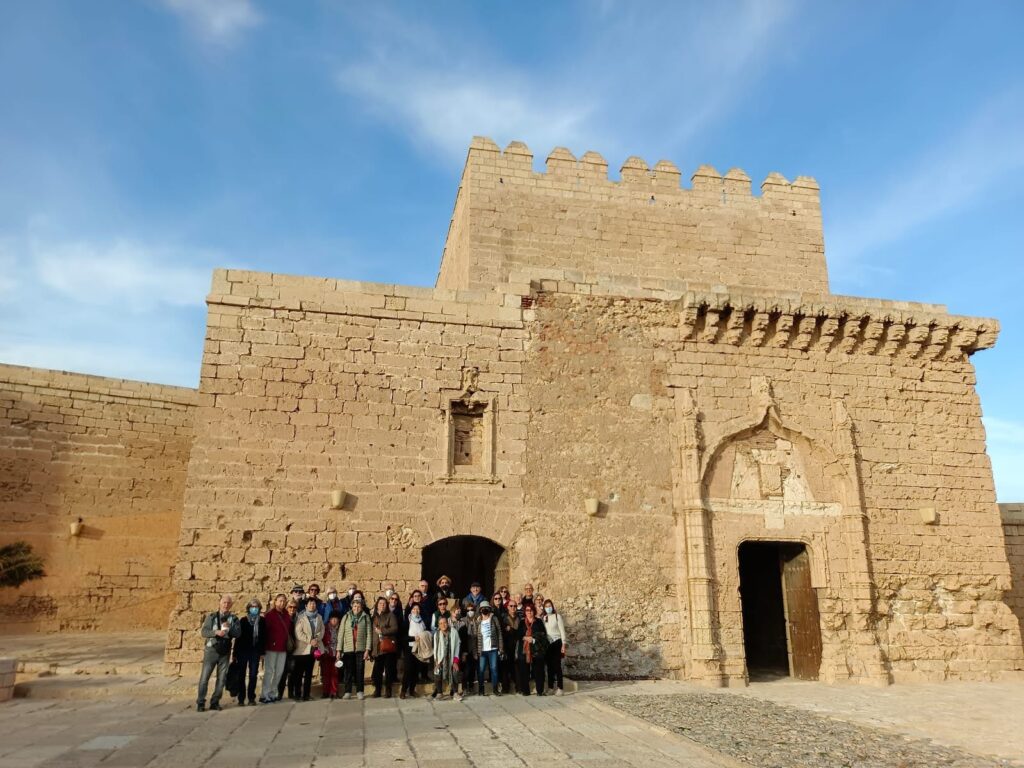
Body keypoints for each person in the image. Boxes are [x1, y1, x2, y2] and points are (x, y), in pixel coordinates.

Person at [196, 594, 241, 712]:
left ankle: (215, 702)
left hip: (224, 652)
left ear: (231, 605)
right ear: (220, 604)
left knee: (221, 679)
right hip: (211, 650)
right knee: (205, 677)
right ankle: (200, 702)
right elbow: (204, 632)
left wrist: (230, 629)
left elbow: (238, 634)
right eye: (224, 602)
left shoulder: (234, 619)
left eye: (228, 603)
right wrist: (215, 632)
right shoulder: (211, 617)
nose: (226, 605)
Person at [337, 596, 371, 700]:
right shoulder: (346, 617)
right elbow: (341, 633)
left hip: (360, 648)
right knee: (348, 671)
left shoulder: (365, 617)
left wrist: (367, 650)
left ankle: (360, 691)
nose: (356, 608)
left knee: (360, 671)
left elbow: (369, 634)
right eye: (355, 606)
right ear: (352, 606)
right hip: (348, 648)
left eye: (358, 606)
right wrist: (339, 650)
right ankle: (347, 692)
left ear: (362, 607)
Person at [234, 598, 266, 706]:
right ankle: (241, 698)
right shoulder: (243, 620)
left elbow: (263, 637)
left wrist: (262, 652)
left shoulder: (262, 621)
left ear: (259, 608)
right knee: (241, 675)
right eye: (252, 607)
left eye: (256, 607)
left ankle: (251, 697)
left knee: (253, 675)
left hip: (255, 651)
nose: (254, 608)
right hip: (243, 651)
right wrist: (235, 653)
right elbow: (238, 638)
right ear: (249, 608)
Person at [293, 597, 325, 701]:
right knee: (299, 674)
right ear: (306, 606)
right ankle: (297, 694)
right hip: (302, 650)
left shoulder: (319, 617)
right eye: (310, 604)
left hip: (313, 649)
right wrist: (309, 640)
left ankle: (306, 694)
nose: (312, 605)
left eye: (314, 603)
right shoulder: (301, 617)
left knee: (309, 673)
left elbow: (322, 630)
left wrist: (316, 639)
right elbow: (298, 633)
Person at [261, 593, 291, 703]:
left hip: (282, 648)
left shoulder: (286, 615)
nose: (282, 603)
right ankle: (264, 694)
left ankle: (273, 693)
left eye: (284, 601)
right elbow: (265, 632)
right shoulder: (270, 615)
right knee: (269, 672)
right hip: (271, 647)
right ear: (275, 602)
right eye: (280, 601)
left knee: (279, 672)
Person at [514, 602, 547, 696]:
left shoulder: (538, 622)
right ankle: (525, 691)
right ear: (525, 612)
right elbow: (518, 634)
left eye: (531, 610)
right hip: (524, 650)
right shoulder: (522, 622)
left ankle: (540, 691)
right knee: (524, 671)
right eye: (527, 610)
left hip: (536, 649)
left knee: (538, 671)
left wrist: (533, 639)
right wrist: (525, 637)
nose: (529, 612)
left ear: (534, 611)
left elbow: (543, 634)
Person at [471, 602, 504, 696]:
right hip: (482, 650)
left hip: (493, 649)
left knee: (494, 669)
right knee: (481, 670)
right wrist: (475, 651)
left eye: (486, 608)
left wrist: (501, 648)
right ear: (480, 610)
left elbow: (499, 633)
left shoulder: (494, 619)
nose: (485, 610)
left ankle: (495, 689)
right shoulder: (477, 621)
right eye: (483, 608)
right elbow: (474, 638)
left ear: (489, 609)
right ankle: (481, 689)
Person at [370, 596, 399, 698]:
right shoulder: (373, 617)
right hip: (377, 647)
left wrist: (382, 631)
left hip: (387, 647)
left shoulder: (390, 615)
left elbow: (395, 628)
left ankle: (388, 690)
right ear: (377, 605)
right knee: (378, 670)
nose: (382, 605)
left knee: (388, 670)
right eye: (380, 603)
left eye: (384, 603)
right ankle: (377, 690)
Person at [401, 602, 430, 699]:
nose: (416, 611)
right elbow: (403, 637)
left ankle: (412, 690)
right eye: (414, 609)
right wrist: (413, 638)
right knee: (408, 670)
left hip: (420, 648)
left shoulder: (422, 621)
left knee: (416, 670)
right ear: (411, 610)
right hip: (410, 648)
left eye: (417, 609)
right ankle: (403, 691)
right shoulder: (407, 621)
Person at [431, 615, 461, 700]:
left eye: (444, 623)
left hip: (452, 658)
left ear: (447, 623)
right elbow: (435, 649)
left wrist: (455, 661)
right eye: (441, 623)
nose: (443, 625)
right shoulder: (436, 634)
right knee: (437, 672)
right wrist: (437, 662)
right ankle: (439, 693)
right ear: (438, 625)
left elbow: (457, 646)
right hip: (441, 659)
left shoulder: (454, 632)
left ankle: (455, 693)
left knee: (455, 671)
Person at [542, 599, 567, 696]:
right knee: (549, 667)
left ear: (552, 607)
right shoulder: (544, 618)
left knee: (557, 666)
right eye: (546, 606)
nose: (548, 608)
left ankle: (560, 688)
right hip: (548, 644)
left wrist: (563, 644)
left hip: (557, 642)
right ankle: (551, 688)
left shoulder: (557, 616)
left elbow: (562, 631)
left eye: (549, 606)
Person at [279, 598, 299, 700]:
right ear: (287, 607)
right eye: (290, 607)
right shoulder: (283, 618)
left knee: (293, 672)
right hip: (284, 648)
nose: (292, 609)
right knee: (283, 672)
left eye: (294, 607)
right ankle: (279, 693)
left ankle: (291, 693)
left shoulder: (298, 618)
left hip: (294, 648)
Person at [320, 611, 341, 699]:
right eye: (332, 618)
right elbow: (321, 639)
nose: (334, 620)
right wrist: (323, 649)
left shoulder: (340, 628)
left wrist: (340, 651)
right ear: (329, 619)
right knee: (326, 673)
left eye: (336, 619)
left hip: (337, 653)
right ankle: (325, 691)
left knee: (335, 673)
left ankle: (334, 691)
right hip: (326, 652)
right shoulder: (324, 628)